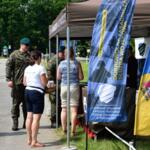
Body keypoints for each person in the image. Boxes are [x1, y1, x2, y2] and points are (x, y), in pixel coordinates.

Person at [57, 47, 84, 135]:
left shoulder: (61, 63)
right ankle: (73, 130)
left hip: (64, 86)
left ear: (65, 54)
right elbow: (81, 77)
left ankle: (64, 129)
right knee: (74, 110)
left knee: (63, 109)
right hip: (74, 87)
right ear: (73, 53)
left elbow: (58, 77)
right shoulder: (77, 63)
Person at [23, 50, 48, 147]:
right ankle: (34, 141)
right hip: (37, 93)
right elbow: (44, 83)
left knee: (29, 117)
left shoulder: (27, 68)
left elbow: (24, 82)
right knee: (36, 119)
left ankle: (29, 139)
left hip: (27, 91)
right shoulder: (40, 68)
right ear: (38, 58)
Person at [6, 37, 31, 131]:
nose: (27, 47)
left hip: (27, 84)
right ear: (21, 45)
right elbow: (8, 66)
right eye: (25, 45)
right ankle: (15, 123)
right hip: (16, 84)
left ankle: (26, 122)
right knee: (16, 104)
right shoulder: (14, 54)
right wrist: (8, 79)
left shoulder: (29, 55)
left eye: (28, 45)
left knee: (26, 104)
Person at [47, 46, 65, 127]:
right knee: (54, 102)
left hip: (61, 84)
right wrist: (52, 82)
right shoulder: (53, 60)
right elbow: (49, 71)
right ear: (59, 52)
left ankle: (60, 120)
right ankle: (54, 121)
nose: (64, 54)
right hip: (54, 84)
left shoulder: (63, 59)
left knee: (61, 102)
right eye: (63, 53)